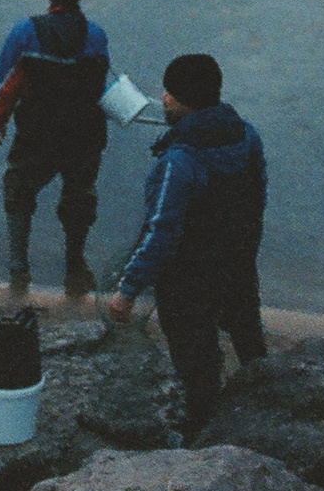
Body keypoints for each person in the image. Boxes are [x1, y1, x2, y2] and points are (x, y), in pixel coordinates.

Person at [103, 53, 267, 435]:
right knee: (248, 340)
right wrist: (245, 251)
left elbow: (162, 231)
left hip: (188, 280)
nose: (162, 98)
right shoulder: (246, 134)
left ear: (183, 102)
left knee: (197, 367)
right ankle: (267, 401)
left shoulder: (180, 159)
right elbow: (257, 200)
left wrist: (127, 292)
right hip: (238, 264)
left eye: (169, 93)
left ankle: (202, 434)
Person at [0, 0, 112, 298]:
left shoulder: (25, 32)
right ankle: (74, 264)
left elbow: (3, 84)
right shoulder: (96, 35)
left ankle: (18, 266)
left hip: (37, 134)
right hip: (84, 137)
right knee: (79, 196)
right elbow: (101, 87)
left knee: (19, 188)